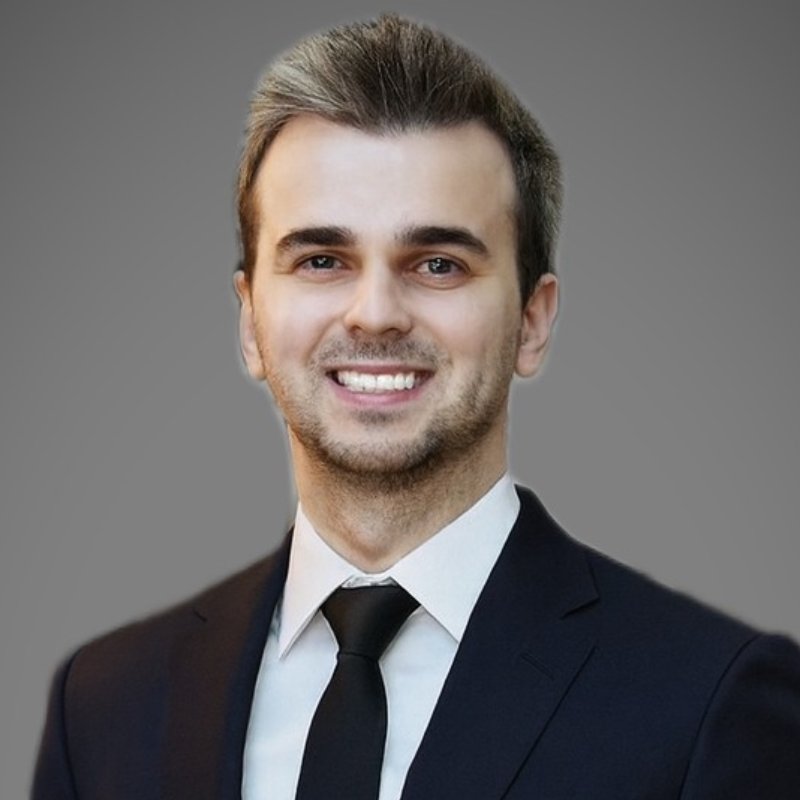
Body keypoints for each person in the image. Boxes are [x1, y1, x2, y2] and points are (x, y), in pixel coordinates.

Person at [33, 13, 800, 799]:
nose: (374, 313)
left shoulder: (711, 701)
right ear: (250, 321)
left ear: (532, 322)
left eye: (437, 263)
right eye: (322, 259)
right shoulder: (103, 706)